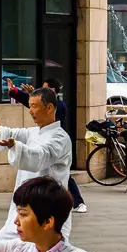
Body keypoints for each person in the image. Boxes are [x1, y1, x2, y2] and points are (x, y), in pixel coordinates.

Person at [0, 87, 73, 252]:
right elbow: (13, 134)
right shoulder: (33, 132)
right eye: (30, 106)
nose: (31, 111)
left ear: (49, 108)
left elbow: (39, 157)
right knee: (1, 243)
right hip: (25, 207)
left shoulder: (60, 139)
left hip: (49, 207)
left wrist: (16, 147)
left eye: (34, 106)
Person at [11, 79, 89, 212]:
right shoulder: (46, 109)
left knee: (65, 178)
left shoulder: (60, 106)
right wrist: (17, 93)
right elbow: (35, 107)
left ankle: (79, 202)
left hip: (57, 146)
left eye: (45, 88)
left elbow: (42, 109)